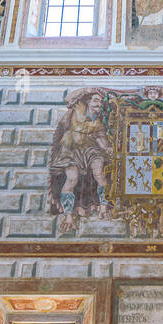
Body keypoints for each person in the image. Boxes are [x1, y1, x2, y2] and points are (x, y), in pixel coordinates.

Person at [49, 91, 112, 230]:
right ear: (88, 101)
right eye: (96, 100)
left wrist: (106, 146)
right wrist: (87, 90)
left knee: (99, 174)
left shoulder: (99, 122)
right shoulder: (77, 109)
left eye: (101, 102)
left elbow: (103, 144)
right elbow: (69, 99)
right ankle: (69, 215)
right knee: (72, 178)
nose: (99, 104)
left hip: (90, 150)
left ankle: (103, 207)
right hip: (71, 147)